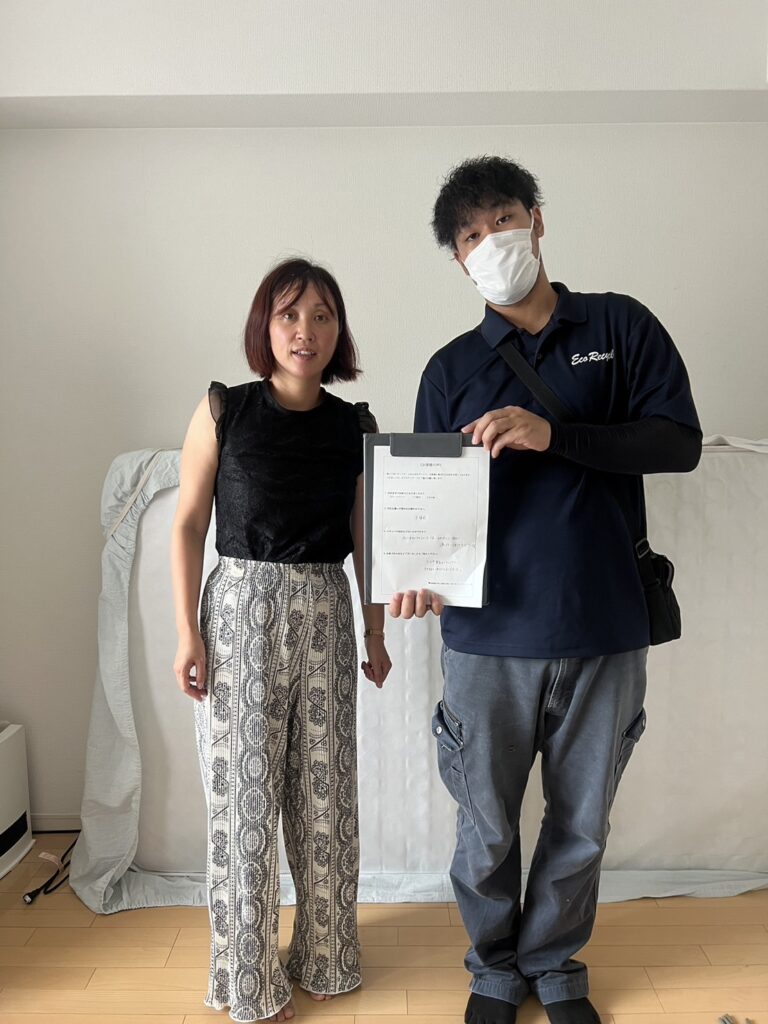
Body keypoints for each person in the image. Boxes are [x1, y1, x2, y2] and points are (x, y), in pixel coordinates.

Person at [391, 156, 701, 1024]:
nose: (489, 241)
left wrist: (554, 434)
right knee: (485, 822)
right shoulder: (450, 368)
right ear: (459, 262)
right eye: (469, 236)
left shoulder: (620, 325)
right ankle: (493, 970)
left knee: (582, 820)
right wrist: (413, 576)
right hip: (486, 636)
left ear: (536, 219)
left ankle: (556, 966)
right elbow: (425, 504)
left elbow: (677, 443)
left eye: (501, 219)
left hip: (606, 622)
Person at [171, 257, 391, 1023]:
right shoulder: (223, 409)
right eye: (290, 314)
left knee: (326, 794)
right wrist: (187, 633)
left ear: (339, 330)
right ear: (264, 325)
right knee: (246, 798)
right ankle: (248, 978)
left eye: (322, 315)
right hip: (239, 613)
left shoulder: (354, 425)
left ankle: (326, 955)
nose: (306, 330)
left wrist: (375, 631)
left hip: (326, 611)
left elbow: (367, 538)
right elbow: (188, 523)